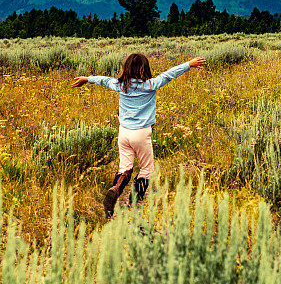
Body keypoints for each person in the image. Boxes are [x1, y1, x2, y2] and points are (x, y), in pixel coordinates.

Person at [71, 53, 207, 217]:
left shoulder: (121, 85)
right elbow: (169, 74)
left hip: (124, 133)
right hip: (141, 133)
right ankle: (133, 205)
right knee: (146, 170)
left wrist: (87, 78)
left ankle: (115, 190)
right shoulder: (151, 85)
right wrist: (189, 64)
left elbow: (105, 80)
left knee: (125, 168)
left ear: (126, 69)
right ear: (145, 68)